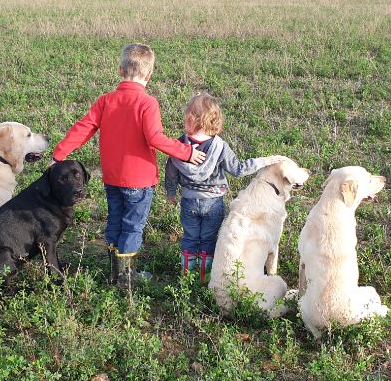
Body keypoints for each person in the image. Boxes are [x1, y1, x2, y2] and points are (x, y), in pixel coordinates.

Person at [51, 43, 206, 286]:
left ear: (120, 70)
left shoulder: (105, 101)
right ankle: (126, 277)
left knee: (115, 220)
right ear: (149, 75)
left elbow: (84, 127)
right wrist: (186, 152)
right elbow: (155, 138)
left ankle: (115, 272)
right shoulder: (147, 103)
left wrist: (60, 153)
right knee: (132, 226)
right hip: (139, 181)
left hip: (112, 177)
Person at [164, 92, 286, 282]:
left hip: (188, 201)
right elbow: (237, 169)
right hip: (213, 203)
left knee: (190, 237)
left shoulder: (179, 145)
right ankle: (204, 279)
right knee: (209, 239)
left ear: (191, 118)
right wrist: (264, 161)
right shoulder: (219, 147)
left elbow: (171, 171)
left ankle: (187, 278)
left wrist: (171, 193)